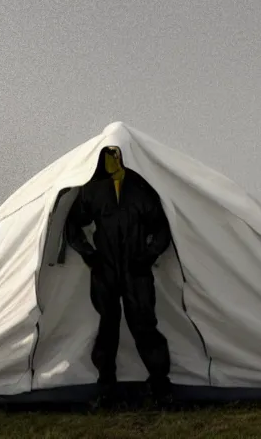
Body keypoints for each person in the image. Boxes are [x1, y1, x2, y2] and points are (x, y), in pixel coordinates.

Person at [65, 145, 173, 408]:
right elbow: (72, 225)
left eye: (115, 154)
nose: (111, 159)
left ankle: (159, 385)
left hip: (136, 269)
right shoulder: (93, 190)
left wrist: (149, 255)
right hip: (106, 269)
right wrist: (88, 254)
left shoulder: (141, 189)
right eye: (107, 154)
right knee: (107, 326)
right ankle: (106, 386)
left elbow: (162, 227)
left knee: (145, 324)